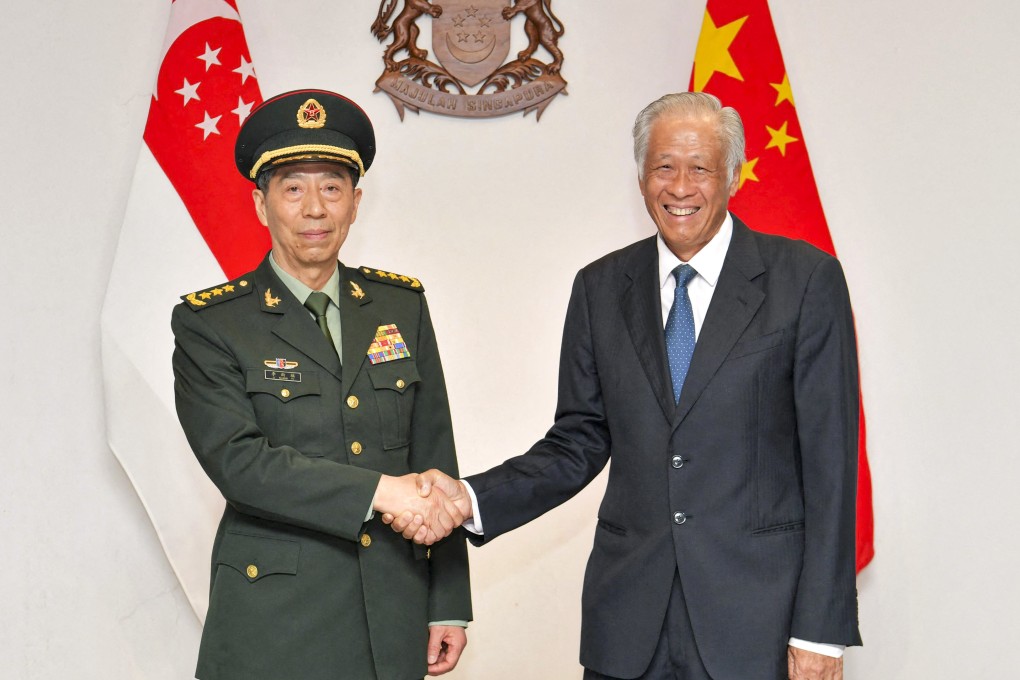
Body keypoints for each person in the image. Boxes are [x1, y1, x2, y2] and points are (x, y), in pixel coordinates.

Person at [388, 92, 861, 679]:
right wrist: (469, 499)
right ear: (641, 177)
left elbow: (832, 467)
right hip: (629, 625)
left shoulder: (806, 280)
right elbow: (577, 441)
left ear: (733, 176)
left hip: (757, 624)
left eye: (700, 168)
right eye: (664, 166)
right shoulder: (600, 287)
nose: (680, 186)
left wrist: (821, 631)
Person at [172, 89, 471, 680]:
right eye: (293, 189)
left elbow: (435, 454)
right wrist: (381, 491)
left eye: (332, 188)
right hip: (275, 622)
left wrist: (449, 605)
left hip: (391, 607)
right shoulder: (212, 323)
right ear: (261, 205)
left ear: (356, 203)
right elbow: (240, 463)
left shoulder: (399, 305)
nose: (315, 209)